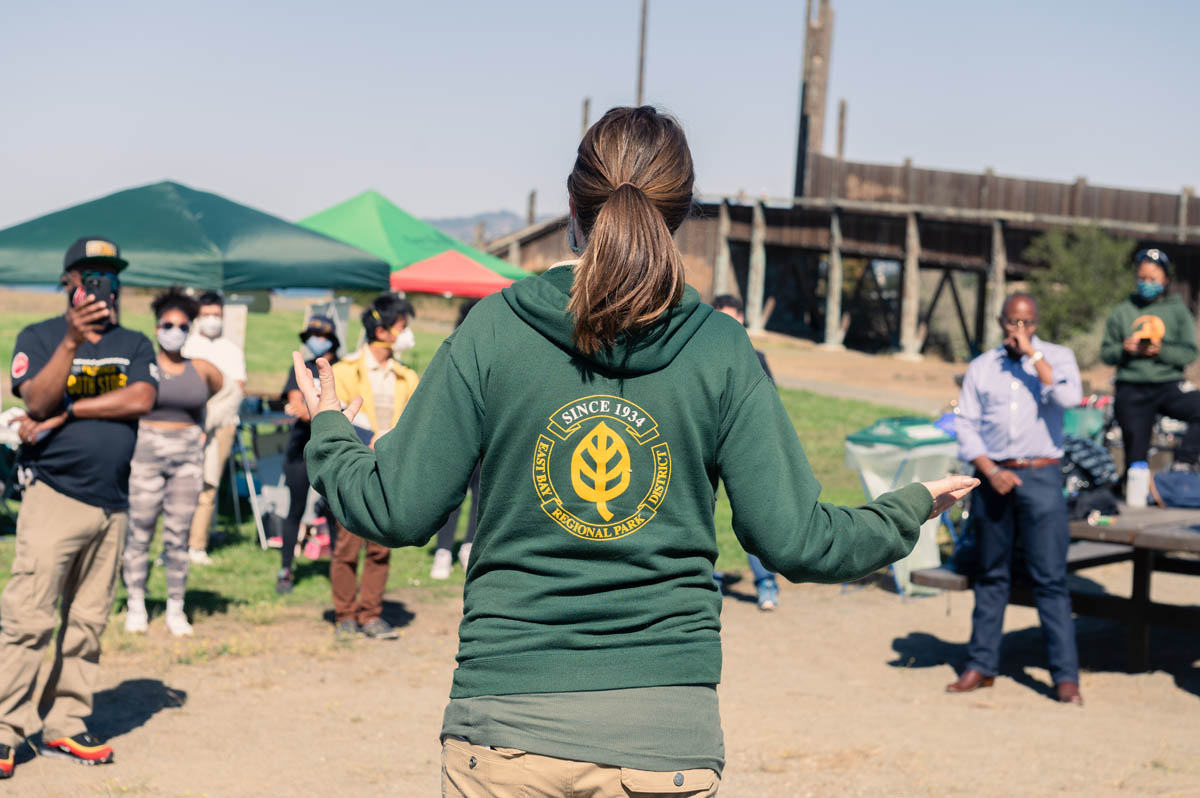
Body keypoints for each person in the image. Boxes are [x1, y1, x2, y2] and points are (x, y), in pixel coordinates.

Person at [295, 106, 976, 795]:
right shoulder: (720, 349)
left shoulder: (494, 329)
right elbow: (796, 539)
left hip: (506, 732)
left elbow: (393, 507)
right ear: (681, 216)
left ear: (570, 205)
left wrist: (328, 428)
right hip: (665, 741)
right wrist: (908, 509)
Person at [0, 237, 157, 777]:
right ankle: (6, 727)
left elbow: (141, 398)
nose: (100, 286)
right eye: (89, 277)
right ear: (68, 282)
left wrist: (70, 414)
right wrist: (70, 340)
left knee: (88, 622)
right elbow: (36, 401)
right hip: (55, 497)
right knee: (28, 616)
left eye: (109, 276)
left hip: (113, 505)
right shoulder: (40, 336)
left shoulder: (134, 342)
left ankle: (66, 721)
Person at [950, 293, 1084, 704]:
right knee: (991, 573)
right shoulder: (982, 366)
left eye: (1026, 323)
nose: (1018, 330)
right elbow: (966, 424)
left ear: (1037, 322)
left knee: (1049, 578)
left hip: (1041, 474)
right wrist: (989, 469)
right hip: (994, 475)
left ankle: (1064, 677)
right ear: (1001, 322)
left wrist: (1034, 358)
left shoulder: (1057, 358)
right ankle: (981, 664)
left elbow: (1068, 399)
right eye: (1012, 322)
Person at [123, 288, 222, 637]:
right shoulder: (142, 366)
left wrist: (199, 429)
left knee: (178, 535)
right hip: (146, 454)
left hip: (186, 460)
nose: (174, 331)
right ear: (156, 326)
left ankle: (175, 607)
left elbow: (213, 395)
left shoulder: (203, 369)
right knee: (140, 530)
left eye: (182, 325)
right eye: (168, 324)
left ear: (190, 329)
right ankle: (136, 602)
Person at [327, 295, 419, 639]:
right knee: (347, 547)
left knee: (381, 548)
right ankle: (345, 615)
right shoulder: (343, 371)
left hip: (390, 473)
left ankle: (371, 615)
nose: (406, 335)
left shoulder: (407, 377)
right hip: (353, 470)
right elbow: (337, 418)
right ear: (382, 330)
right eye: (401, 327)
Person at [711, 294, 782, 610]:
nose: (728, 325)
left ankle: (767, 584)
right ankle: (703, 580)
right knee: (699, 515)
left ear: (741, 319)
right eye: (721, 318)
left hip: (743, 450)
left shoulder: (756, 357)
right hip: (706, 448)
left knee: (753, 516)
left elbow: (769, 402)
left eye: (733, 318)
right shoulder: (700, 356)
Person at [1101, 248, 1200, 476]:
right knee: (1136, 459)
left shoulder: (1178, 311)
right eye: (1142, 278)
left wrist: (1161, 350)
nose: (1147, 283)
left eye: (1153, 279)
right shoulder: (1123, 311)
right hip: (1132, 388)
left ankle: (1183, 463)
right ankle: (1135, 482)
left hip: (1168, 386)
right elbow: (1107, 353)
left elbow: (1189, 354)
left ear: (1165, 280)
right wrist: (1125, 349)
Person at [276, 316, 341, 596]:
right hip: (301, 449)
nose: (316, 339)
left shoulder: (343, 369)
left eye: (321, 334)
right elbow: (295, 405)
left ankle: (340, 573)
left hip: (334, 450)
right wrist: (316, 411)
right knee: (295, 509)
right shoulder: (300, 368)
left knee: (336, 512)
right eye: (311, 334)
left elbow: (305, 409)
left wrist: (308, 409)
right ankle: (286, 569)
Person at [182, 291, 246, 565]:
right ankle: (174, 544)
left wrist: (211, 419)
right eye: (206, 314)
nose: (212, 320)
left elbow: (237, 390)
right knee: (181, 487)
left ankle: (197, 545)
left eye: (216, 315)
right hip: (187, 424)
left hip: (220, 424)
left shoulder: (230, 350)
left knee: (208, 486)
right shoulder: (186, 346)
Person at [431, 299, 480, 580]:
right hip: (458, 433)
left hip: (485, 433)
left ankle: (469, 544)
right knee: (454, 494)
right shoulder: (454, 350)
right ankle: (443, 550)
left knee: (481, 494)